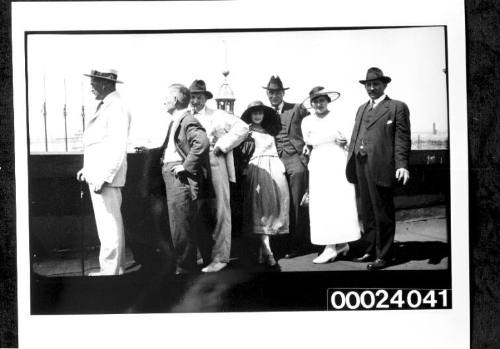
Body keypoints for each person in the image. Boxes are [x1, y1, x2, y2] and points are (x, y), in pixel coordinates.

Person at [346, 67, 411, 270]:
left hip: (382, 165)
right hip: (360, 163)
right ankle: (370, 249)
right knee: (367, 212)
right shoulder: (361, 108)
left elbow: (402, 139)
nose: (371, 88)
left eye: (375, 84)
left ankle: (384, 255)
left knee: (382, 211)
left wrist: (402, 165)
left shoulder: (396, 107)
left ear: (384, 85)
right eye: (368, 85)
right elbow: (357, 134)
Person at [189, 80, 249, 273]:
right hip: (194, 167)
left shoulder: (218, 115)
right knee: (198, 210)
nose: (195, 100)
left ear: (206, 98)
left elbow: (242, 128)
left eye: (199, 96)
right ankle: (204, 254)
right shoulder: (186, 117)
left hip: (215, 162)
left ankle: (221, 257)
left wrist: (222, 145)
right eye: (192, 96)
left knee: (220, 210)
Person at [77, 69, 131, 276]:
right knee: (109, 225)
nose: (91, 86)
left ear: (105, 84)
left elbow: (117, 145)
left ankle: (111, 272)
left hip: (105, 178)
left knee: (110, 226)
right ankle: (114, 270)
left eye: (94, 82)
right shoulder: (108, 105)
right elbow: (99, 145)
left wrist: (105, 175)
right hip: (98, 175)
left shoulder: (116, 107)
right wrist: (88, 169)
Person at [301, 87, 361, 263]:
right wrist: (309, 147)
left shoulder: (338, 117)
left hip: (336, 160)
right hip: (319, 162)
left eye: (322, 100)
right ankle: (332, 246)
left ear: (328, 101)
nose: (319, 104)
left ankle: (339, 244)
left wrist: (344, 142)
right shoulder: (306, 121)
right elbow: (308, 141)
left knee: (338, 201)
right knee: (322, 203)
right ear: (311, 103)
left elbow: (350, 137)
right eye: (316, 101)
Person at [161, 83, 210, 274]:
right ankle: (185, 263)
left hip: (178, 176)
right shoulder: (177, 119)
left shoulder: (186, 119)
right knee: (179, 221)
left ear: (175, 100)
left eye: (167, 97)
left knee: (181, 222)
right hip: (171, 174)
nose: (164, 101)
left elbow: (202, 143)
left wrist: (185, 166)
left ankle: (186, 268)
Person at [263, 76, 310, 258]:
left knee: (297, 202)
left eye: (276, 93)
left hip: (294, 158)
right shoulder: (264, 113)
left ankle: (298, 244)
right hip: (275, 159)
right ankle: (281, 244)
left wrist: (309, 145)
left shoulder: (296, 109)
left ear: (283, 93)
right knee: (278, 203)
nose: (273, 96)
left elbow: (313, 124)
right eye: (270, 93)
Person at [241, 101, 290, 267]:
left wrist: (280, 166)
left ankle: (264, 249)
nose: (257, 116)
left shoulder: (269, 131)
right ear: (250, 115)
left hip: (274, 167)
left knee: (273, 206)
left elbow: (274, 149)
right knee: (260, 207)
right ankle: (268, 251)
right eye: (254, 113)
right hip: (258, 168)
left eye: (260, 113)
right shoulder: (246, 130)